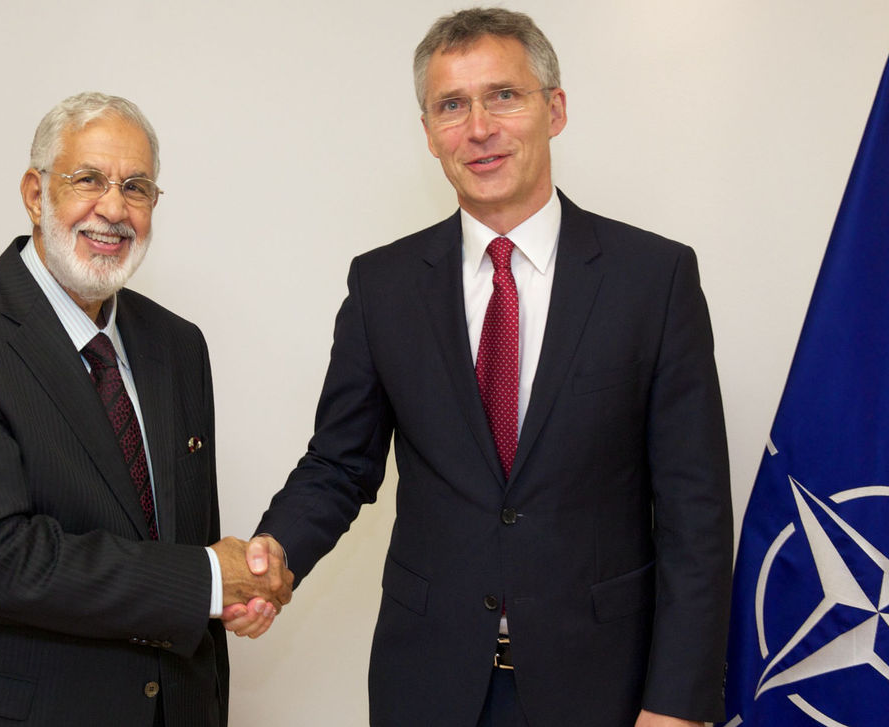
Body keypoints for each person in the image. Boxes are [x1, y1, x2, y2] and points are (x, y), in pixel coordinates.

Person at [244, 8, 732, 726]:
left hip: (605, 687)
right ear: (429, 132)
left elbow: (696, 514)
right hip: (429, 683)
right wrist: (272, 555)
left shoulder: (652, 279)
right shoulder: (382, 286)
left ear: (554, 109)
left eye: (503, 95)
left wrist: (678, 703)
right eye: (451, 105)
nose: (478, 128)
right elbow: (338, 464)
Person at [0, 92, 291, 727]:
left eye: (136, 187)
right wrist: (208, 580)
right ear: (33, 192)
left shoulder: (178, 347)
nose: (113, 208)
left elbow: (178, 544)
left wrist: (226, 595)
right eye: (89, 180)